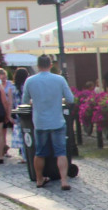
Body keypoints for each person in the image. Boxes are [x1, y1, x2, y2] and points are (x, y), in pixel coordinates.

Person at [24, 55, 75, 190]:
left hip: (39, 122)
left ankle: (39, 179)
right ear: (51, 65)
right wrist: (61, 101)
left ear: (38, 65)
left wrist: (34, 101)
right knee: (61, 152)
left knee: (40, 152)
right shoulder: (59, 79)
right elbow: (70, 98)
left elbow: (25, 101)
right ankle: (64, 180)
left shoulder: (30, 81)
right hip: (57, 120)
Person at [11, 68, 28, 161]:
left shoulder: (13, 87)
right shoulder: (27, 85)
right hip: (28, 111)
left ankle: (24, 155)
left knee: (21, 134)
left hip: (18, 112)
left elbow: (10, 102)